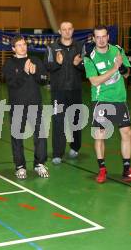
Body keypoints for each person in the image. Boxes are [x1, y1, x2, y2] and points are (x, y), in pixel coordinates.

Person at [84, 25, 131, 183]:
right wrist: (114, 68)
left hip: (119, 98)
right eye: (98, 37)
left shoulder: (118, 50)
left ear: (108, 37)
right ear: (94, 38)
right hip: (101, 99)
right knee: (100, 135)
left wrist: (122, 67)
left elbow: (126, 74)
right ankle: (102, 169)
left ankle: (127, 170)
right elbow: (94, 81)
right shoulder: (89, 57)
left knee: (127, 132)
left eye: (104, 36)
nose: (101, 40)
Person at [2, 35, 50, 179]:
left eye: (24, 44)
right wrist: (24, 72)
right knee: (17, 136)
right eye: (19, 45)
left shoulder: (35, 60)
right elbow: (11, 83)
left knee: (40, 135)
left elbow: (44, 79)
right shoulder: (9, 64)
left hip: (35, 104)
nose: (23, 47)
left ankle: (39, 164)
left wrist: (36, 73)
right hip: (17, 106)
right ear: (13, 48)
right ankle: (20, 166)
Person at [44, 21, 85, 164]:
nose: (67, 32)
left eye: (69, 29)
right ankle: (57, 153)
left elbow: (86, 67)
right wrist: (57, 63)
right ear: (59, 31)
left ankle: (75, 147)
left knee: (75, 121)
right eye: (64, 29)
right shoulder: (52, 47)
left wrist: (78, 64)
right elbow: (47, 66)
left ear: (73, 30)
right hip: (58, 91)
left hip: (75, 90)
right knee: (58, 121)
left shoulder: (80, 46)